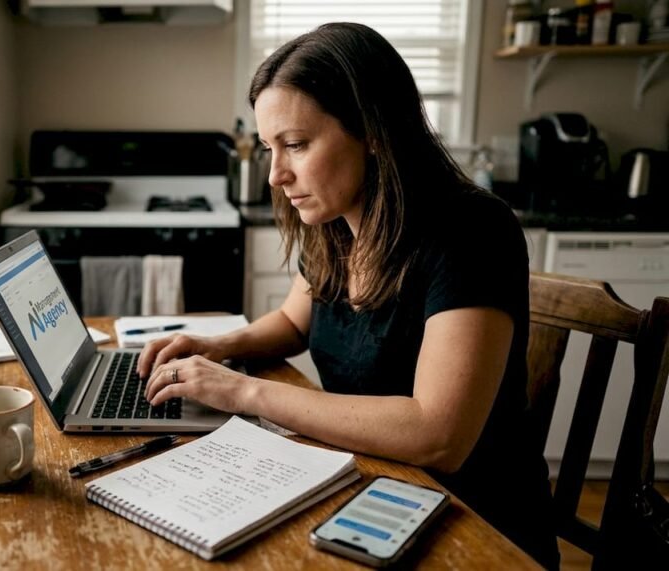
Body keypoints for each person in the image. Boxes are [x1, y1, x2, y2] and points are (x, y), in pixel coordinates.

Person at [139, 22, 559, 569]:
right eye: (270, 148)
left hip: (472, 527)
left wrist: (243, 392)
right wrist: (217, 345)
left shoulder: (472, 231)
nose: (275, 176)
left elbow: (439, 436)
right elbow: (294, 324)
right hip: (368, 484)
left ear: (375, 131)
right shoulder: (335, 223)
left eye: (295, 144)